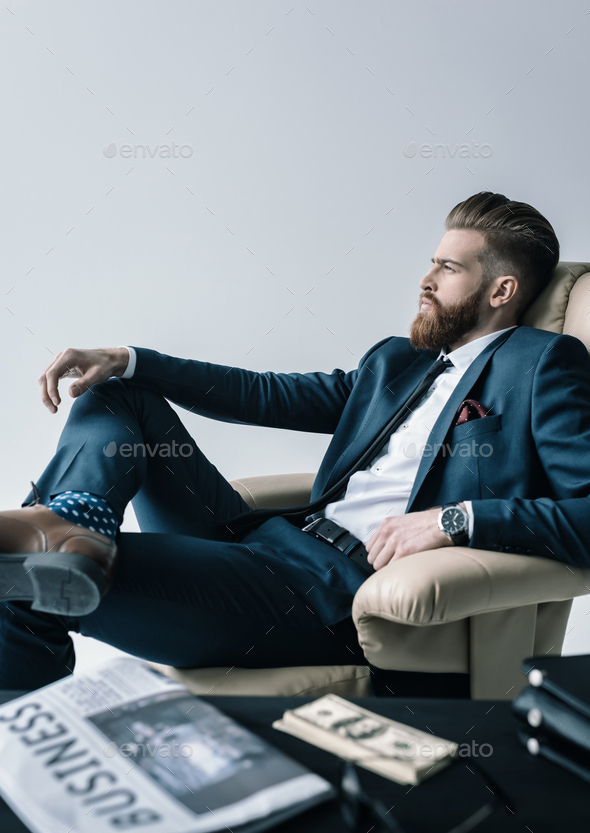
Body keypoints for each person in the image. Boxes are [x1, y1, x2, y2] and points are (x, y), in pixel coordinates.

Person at [1, 191, 587, 697]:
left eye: (447, 268)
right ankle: (71, 523)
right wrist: (129, 359)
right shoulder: (398, 362)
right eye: (430, 262)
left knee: (21, 577)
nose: (424, 279)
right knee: (119, 393)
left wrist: (457, 520)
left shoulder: (541, 366)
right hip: (266, 542)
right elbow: (265, 395)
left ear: (501, 289)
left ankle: (26, 747)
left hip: (327, 593)